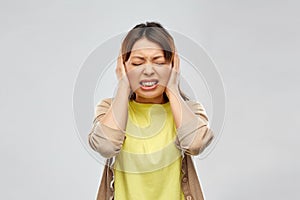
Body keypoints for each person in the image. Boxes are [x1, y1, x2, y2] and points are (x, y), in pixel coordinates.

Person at [88, 22, 214, 200]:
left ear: (173, 65)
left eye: (159, 62)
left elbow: (195, 144)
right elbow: (106, 147)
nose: (148, 71)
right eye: (138, 63)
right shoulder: (108, 109)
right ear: (123, 66)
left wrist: (172, 87)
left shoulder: (190, 110)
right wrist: (124, 85)